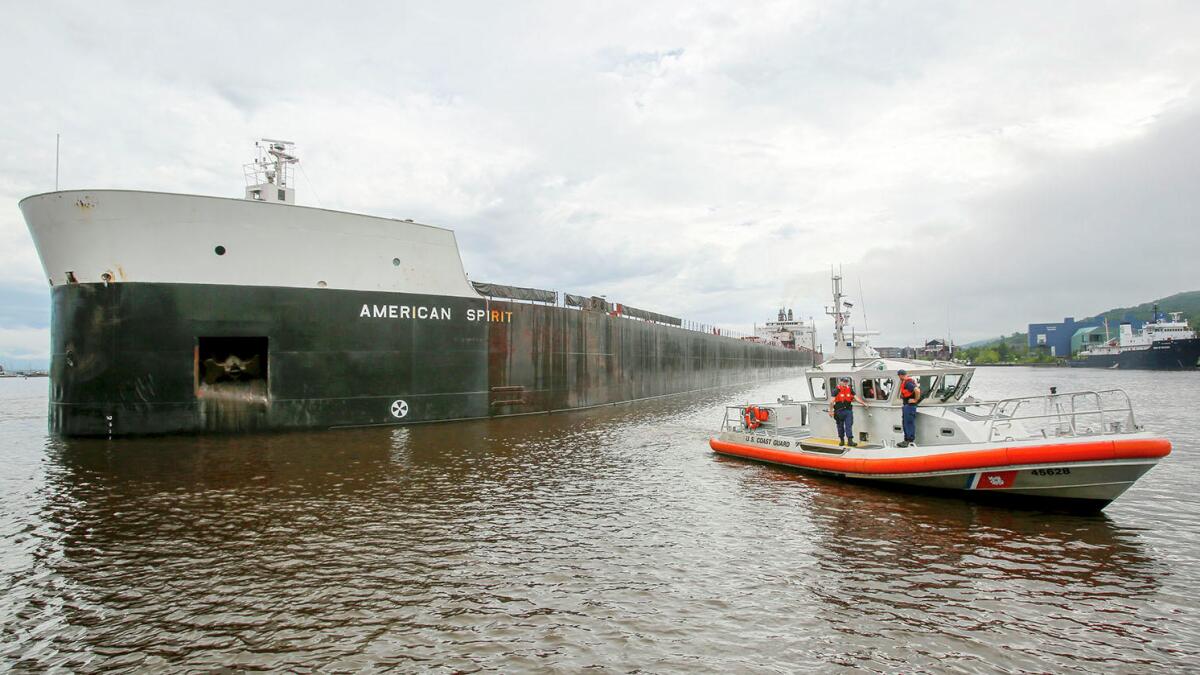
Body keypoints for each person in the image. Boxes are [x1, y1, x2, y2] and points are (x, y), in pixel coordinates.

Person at [827, 377, 866, 447]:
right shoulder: (836, 390)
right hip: (839, 412)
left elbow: (856, 398)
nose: (845, 383)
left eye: (846, 381)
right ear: (840, 382)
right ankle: (842, 440)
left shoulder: (850, 389)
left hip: (848, 411)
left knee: (849, 425)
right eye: (844, 381)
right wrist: (831, 411)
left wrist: (863, 403)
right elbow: (831, 402)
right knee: (840, 426)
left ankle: (850, 441)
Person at [896, 369, 921, 447]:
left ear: (900, 375)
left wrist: (915, 400)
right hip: (908, 406)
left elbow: (917, 390)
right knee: (906, 422)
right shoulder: (907, 382)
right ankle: (906, 440)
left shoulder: (908, 382)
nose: (899, 377)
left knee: (908, 423)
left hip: (910, 406)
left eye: (898, 375)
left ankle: (909, 441)